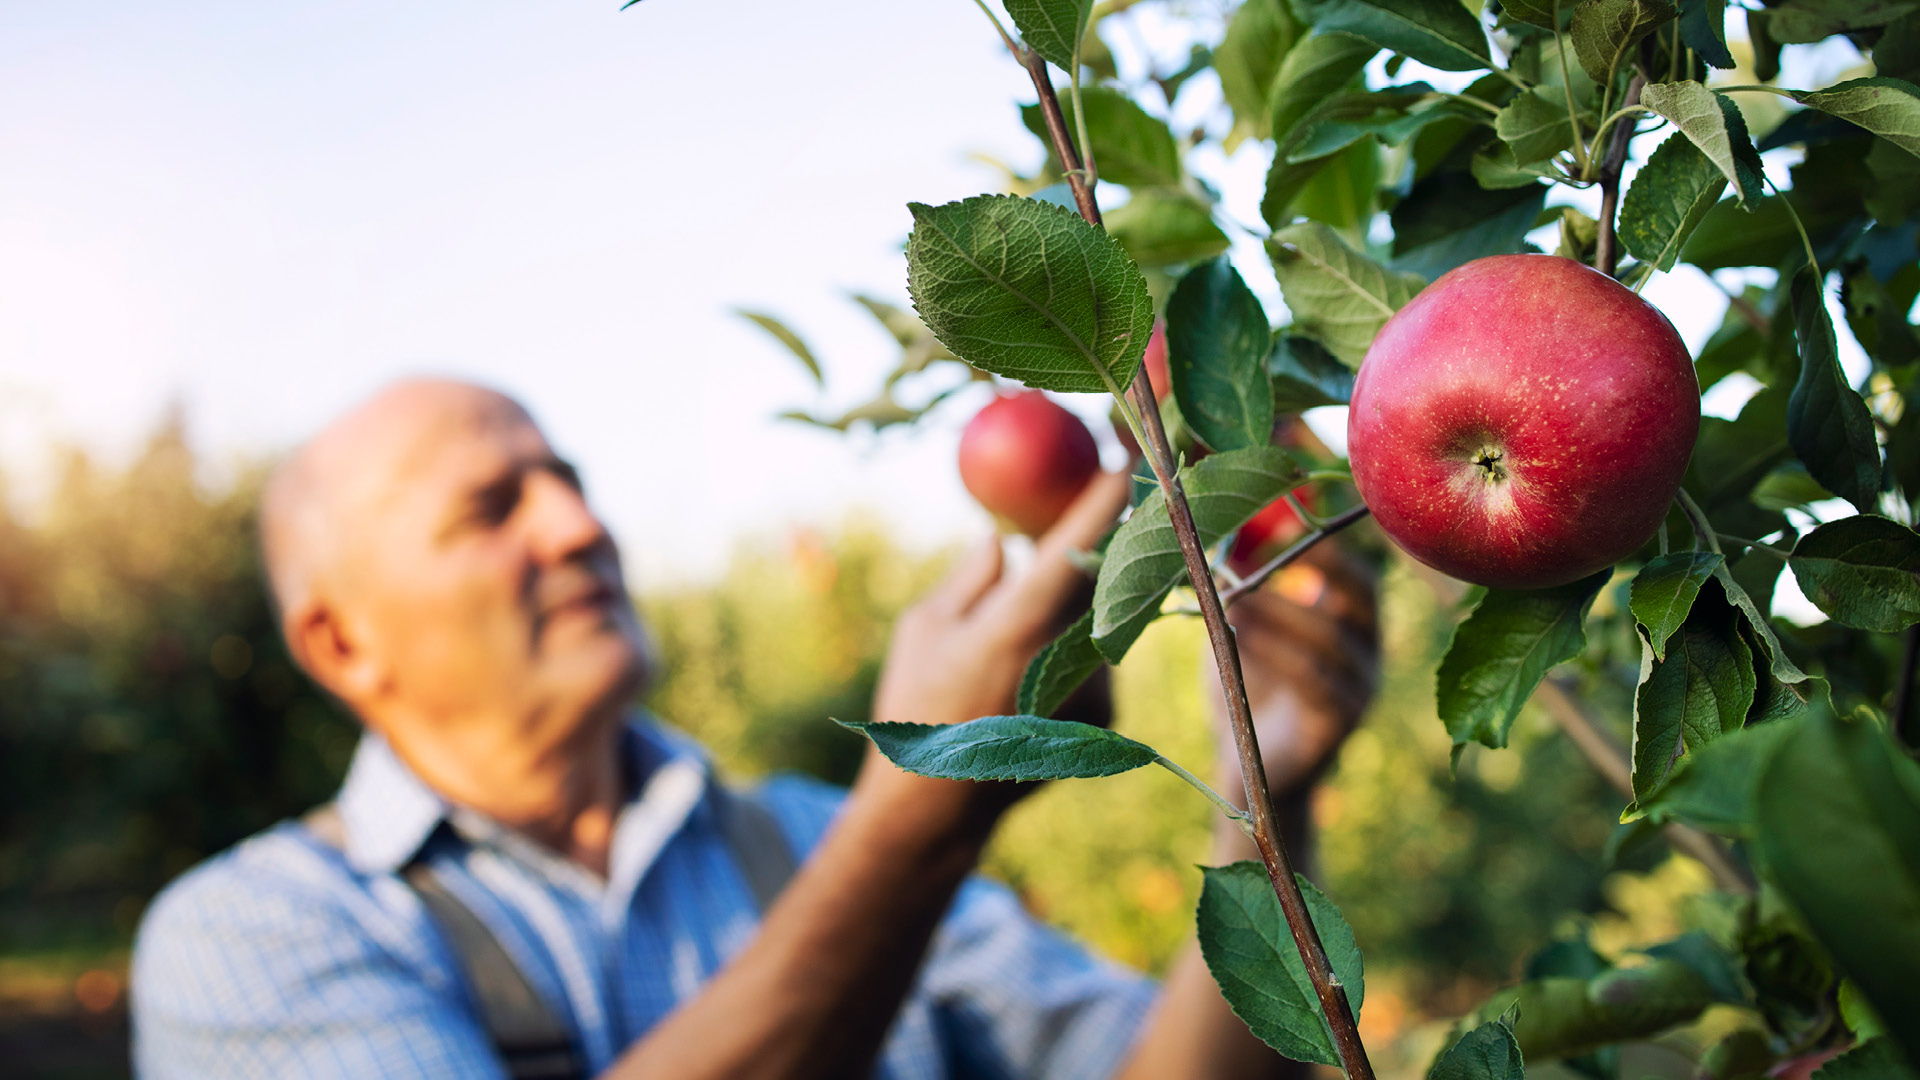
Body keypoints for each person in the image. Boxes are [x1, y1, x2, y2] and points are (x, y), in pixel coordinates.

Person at [130, 378, 1377, 1079]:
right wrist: (921, 819)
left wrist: (1263, 790)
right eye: (491, 509)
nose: (578, 526)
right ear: (342, 641)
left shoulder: (799, 837)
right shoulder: (251, 939)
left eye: (569, 479)